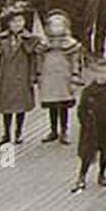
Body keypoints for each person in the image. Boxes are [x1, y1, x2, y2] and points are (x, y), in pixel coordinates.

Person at [0, 2, 44, 146]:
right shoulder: (2, 40)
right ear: (8, 24)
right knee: (6, 107)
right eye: (14, 21)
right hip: (6, 77)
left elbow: (34, 59)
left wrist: (33, 76)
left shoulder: (30, 40)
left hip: (22, 77)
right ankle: (6, 133)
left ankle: (18, 132)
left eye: (20, 21)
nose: (18, 24)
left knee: (20, 107)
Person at [72, 75, 106, 192]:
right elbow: (81, 109)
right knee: (87, 153)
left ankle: (102, 174)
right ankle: (82, 176)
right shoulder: (89, 91)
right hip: (92, 128)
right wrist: (86, 123)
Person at [39, 10, 84, 144]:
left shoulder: (71, 45)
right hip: (49, 77)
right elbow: (39, 59)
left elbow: (76, 62)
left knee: (63, 104)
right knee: (51, 103)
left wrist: (75, 77)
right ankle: (53, 130)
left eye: (60, 25)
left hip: (64, 77)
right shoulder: (44, 45)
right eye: (54, 25)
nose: (57, 28)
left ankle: (64, 130)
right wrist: (38, 75)